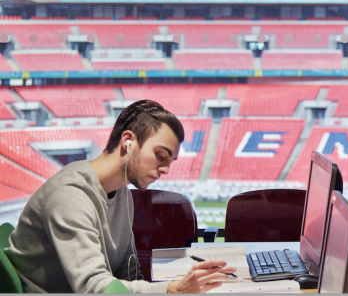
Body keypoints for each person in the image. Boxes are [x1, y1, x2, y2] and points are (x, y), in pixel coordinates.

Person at [4, 99, 235, 293]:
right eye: (159, 155)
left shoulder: (121, 189)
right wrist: (171, 289)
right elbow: (93, 287)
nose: (165, 170)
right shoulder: (70, 196)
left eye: (170, 161)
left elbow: (127, 268)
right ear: (128, 142)